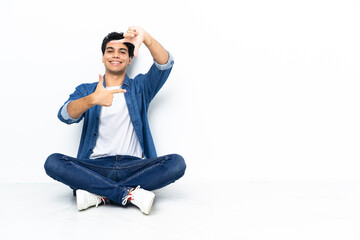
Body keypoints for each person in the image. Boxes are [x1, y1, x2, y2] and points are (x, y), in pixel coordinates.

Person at [44, 26, 186, 215]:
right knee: (53, 162)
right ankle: (127, 194)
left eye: (122, 51)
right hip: (95, 167)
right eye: (110, 51)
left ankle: (99, 193)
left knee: (176, 163)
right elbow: (65, 115)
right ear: (103, 57)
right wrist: (92, 100)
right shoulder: (87, 90)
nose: (115, 55)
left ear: (129, 59)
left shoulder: (139, 87)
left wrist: (146, 38)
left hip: (134, 166)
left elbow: (165, 64)